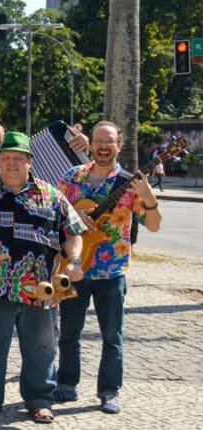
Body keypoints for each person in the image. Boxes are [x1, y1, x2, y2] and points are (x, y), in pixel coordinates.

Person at [0, 131, 86, 424]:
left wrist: (74, 261)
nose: (11, 163)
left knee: (42, 347)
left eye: (18, 158)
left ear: (30, 162)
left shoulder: (52, 196)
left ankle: (39, 400)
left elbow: (72, 233)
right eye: (5, 158)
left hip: (40, 289)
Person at [55, 121, 162, 414]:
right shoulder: (72, 177)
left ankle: (109, 390)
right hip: (74, 266)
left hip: (111, 271)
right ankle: (66, 383)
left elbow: (153, 226)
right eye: (98, 141)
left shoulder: (129, 183)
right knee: (68, 333)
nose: (103, 146)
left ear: (119, 146)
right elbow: (52, 213)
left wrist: (149, 196)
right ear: (90, 144)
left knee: (112, 336)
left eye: (109, 142)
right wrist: (74, 213)